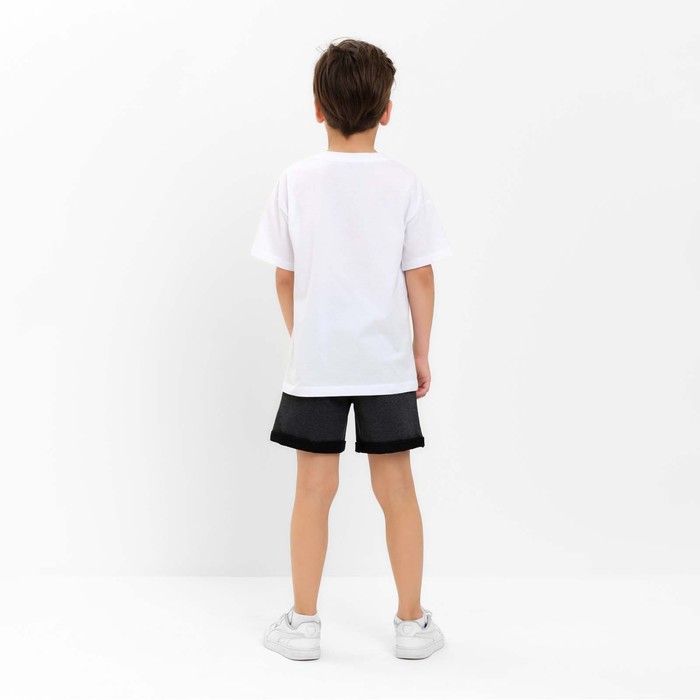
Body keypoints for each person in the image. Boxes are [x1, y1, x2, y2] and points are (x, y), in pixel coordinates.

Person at [250, 38, 452, 661]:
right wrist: (420, 352)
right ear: (387, 110)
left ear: (318, 108)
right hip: (385, 364)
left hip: (317, 364)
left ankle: (303, 625)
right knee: (398, 490)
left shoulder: (295, 181)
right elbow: (421, 276)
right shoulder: (403, 183)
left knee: (313, 490)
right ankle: (412, 624)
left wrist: (305, 335)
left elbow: (284, 277)